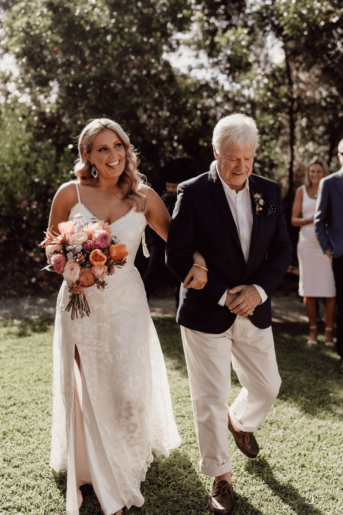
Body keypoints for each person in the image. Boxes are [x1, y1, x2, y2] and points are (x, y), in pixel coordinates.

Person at [48, 118, 208, 515]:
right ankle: (103, 477)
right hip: (79, 304)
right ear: (87, 155)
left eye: (118, 146)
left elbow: (179, 243)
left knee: (128, 390)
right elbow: (52, 245)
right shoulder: (69, 193)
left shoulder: (143, 195)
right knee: (90, 390)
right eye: (102, 149)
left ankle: (127, 458)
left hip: (127, 305)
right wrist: (73, 267)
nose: (113, 155)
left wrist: (201, 261)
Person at [166, 113, 292, 515]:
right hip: (207, 310)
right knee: (210, 397)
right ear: (216, 152)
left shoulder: (269, 191)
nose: (241, 166)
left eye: (248, 158)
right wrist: (223, 295)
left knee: (268, 386)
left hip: (254, 307)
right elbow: (177, 254)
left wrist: (256, 291)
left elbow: (282, 252)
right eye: (232, 157)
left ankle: (239, 422)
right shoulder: (192, 191)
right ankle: (221, 477)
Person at [291, 156, 336, 347]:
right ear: (308, 174)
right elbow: (294, 220)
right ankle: (312, 331)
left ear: (324, 172)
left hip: (327, 247)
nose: (315, 174)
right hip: (307, 246)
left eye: (318, 171)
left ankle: (328, 333)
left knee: (330, 291)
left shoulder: (332, 188)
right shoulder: (301, 191)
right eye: (312, 171)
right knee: (308, 290)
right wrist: (312, 220)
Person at [144, 158, 196, 304]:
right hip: (160, 245)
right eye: (169, 186)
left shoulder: (186, 198)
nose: (171, 190)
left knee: (180, 279)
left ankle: (180, 307)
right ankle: (142, 302)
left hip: (180, 247)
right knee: (151, 274)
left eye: (174, 187)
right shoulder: (162, 199)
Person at [315, 140, 343, 374]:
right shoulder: (329, 183)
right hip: (341, 254)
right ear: (339, 155)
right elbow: (319, 220)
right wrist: (328, 249)